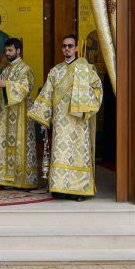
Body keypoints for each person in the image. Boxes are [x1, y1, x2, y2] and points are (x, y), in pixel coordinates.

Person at [28, 34, 103, 200]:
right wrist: (44, 118)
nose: (67, 49)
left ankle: (80, 190)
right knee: (60, 153)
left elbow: (98, 89)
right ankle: (59, 187)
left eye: (70, 46)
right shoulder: (55, 71)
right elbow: (46, 94)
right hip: (61, 121)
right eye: (64, 46)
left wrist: (85, 102)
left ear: (76, 48)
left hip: (78, 120)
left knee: (78, 154)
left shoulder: (86, 69)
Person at [0, 38, 39, 189]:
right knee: (4, 144)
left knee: (20, 145)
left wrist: (7, 85)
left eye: (10, 50)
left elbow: (26, 87)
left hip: (21, 116)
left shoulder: (26, 69)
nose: (7, 53)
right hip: (6, 116)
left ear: (18, 51)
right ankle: (4, 179)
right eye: (6, 51)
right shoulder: (6, 70)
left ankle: (22, 180)